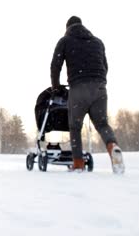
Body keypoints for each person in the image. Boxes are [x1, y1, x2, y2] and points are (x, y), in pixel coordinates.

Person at [50, 16, 125, 174]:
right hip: (99, 88)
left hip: (78, 89)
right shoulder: (97, 42)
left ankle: (78, 163)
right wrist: (99, 81)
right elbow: (105, 66)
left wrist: (56, 86)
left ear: (67, 27)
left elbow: (55, 65)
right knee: (103, 124)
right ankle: (113, 147)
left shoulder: (65, 41)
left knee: (75, 127)